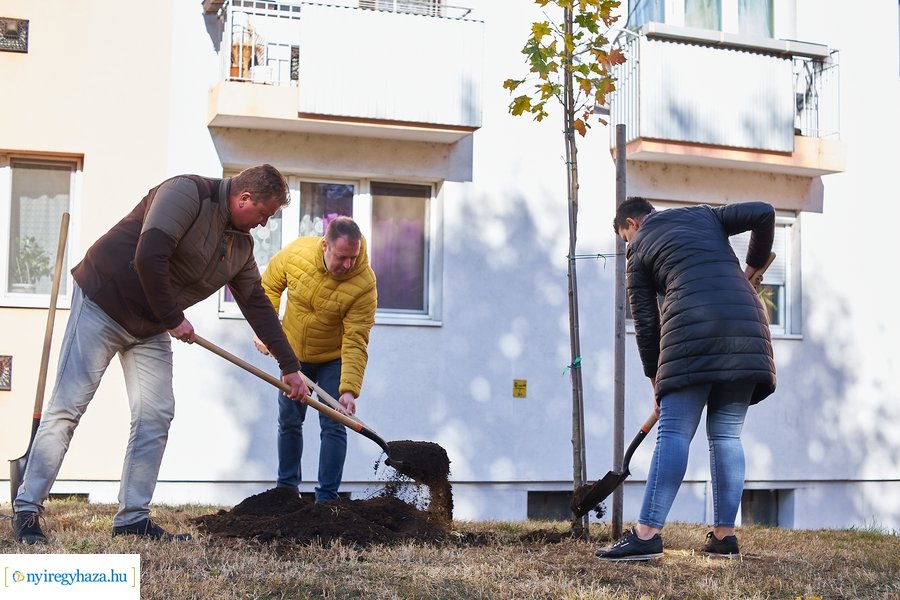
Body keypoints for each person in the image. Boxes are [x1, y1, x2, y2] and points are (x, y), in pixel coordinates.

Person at [12, 165, 310, 545]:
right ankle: (27, 510)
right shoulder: (187, 193)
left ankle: (132, 518)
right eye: (264, 215)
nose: (264, 224)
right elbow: (149, 255)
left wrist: (290, 367)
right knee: (68, 406)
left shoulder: (240, 247)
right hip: (103, 302)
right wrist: (174, 317)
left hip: (150, 325)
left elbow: (256, 303)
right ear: (244, 198)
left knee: (155, 414)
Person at [596, 197, 776, 562]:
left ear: (631, 224)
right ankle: (724, 537)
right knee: (727, 435)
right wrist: (751, 269)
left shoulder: (639, 250)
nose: (627, 245)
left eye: (624, 238)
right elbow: (765, 213)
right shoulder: (703, 214)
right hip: (746, 328)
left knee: (675, 432)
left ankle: (646, 534)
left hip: (691, 334)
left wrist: (654, 381)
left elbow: (647, 324)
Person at [253, 216, 377, 503]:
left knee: (334, 423)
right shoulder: (297, 254)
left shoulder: (364, 284)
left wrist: (348, 390)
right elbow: (268, 286)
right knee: (289, 420)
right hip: (292, 354)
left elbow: (356, 339)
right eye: (342, 257)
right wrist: (266, 331)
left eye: (353, 257)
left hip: (333, 359)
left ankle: (327, 498)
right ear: (325, 245)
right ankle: (286, 490)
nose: (348, 265)